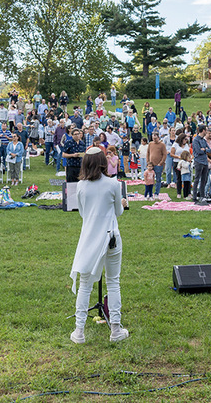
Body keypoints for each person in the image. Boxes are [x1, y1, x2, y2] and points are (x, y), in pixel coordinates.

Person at [68, 147, 130, 344]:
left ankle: (79, 332)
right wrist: (121, 202)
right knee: (113, 282)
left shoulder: (81, 186)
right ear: (104, 161)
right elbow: (118, 212)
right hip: (111, 236)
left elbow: (83, 214)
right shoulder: (113, 184)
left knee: (85, 284)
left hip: (90, 237)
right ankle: (116, 329)